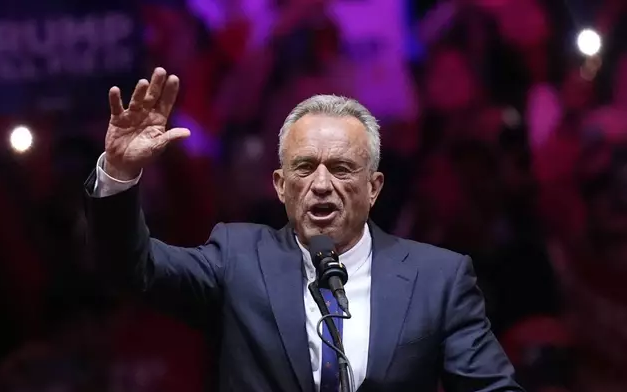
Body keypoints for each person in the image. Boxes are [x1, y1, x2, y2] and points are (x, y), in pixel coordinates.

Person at [84, 67, 524, 392]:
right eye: (304, 167)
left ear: (374, 187)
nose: (320, 185)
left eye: (341, 168)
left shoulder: (438, 279)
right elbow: (131, 268)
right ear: (279, 185)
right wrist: (120, 172)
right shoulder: (237, 259)